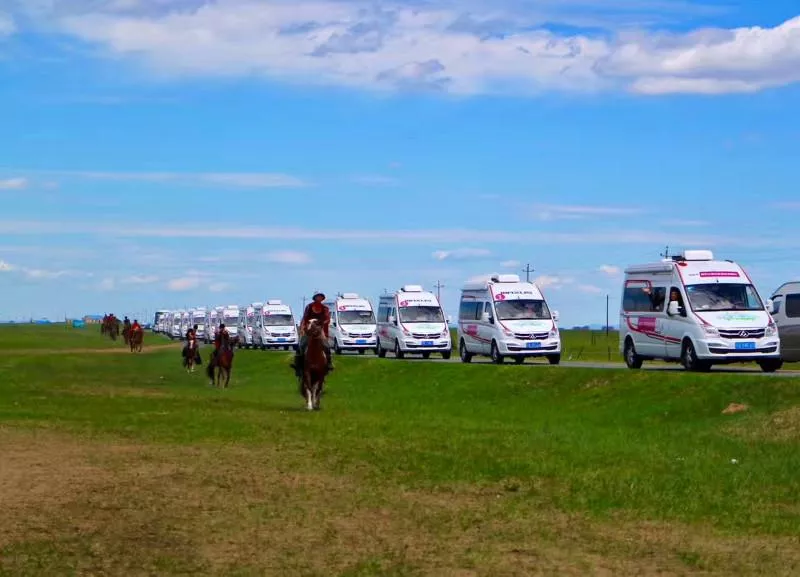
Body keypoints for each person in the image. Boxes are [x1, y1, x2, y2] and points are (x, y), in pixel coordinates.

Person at [291, 292, 334, 378]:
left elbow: (327, 319)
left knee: (326, 346)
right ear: (315, 298)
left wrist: (320, 324)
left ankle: (328, 364)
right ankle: (298, 365)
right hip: (309, 330)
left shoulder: (325, 308)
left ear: (322, 299)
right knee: (301, 345)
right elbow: (305, 318)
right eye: (318, 297)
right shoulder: (309, 307)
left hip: (320, 330)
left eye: (321, 297)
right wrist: (303, 328)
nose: (319, 299)